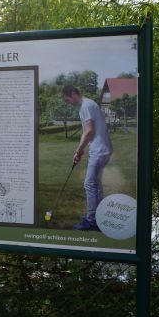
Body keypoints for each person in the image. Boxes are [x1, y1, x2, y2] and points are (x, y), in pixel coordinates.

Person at [61, 85, 112, 231]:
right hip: (104, 150)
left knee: (89, 184)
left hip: (99, 151)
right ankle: (99, 217)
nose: (68, 103)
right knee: (96, 184)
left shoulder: (85, 106)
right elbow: (87, 133)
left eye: (67, 100)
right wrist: (80, 151)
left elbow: (89, 131)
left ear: (72, 94)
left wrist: (79, 150)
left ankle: (92, 221)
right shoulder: (89, 103)